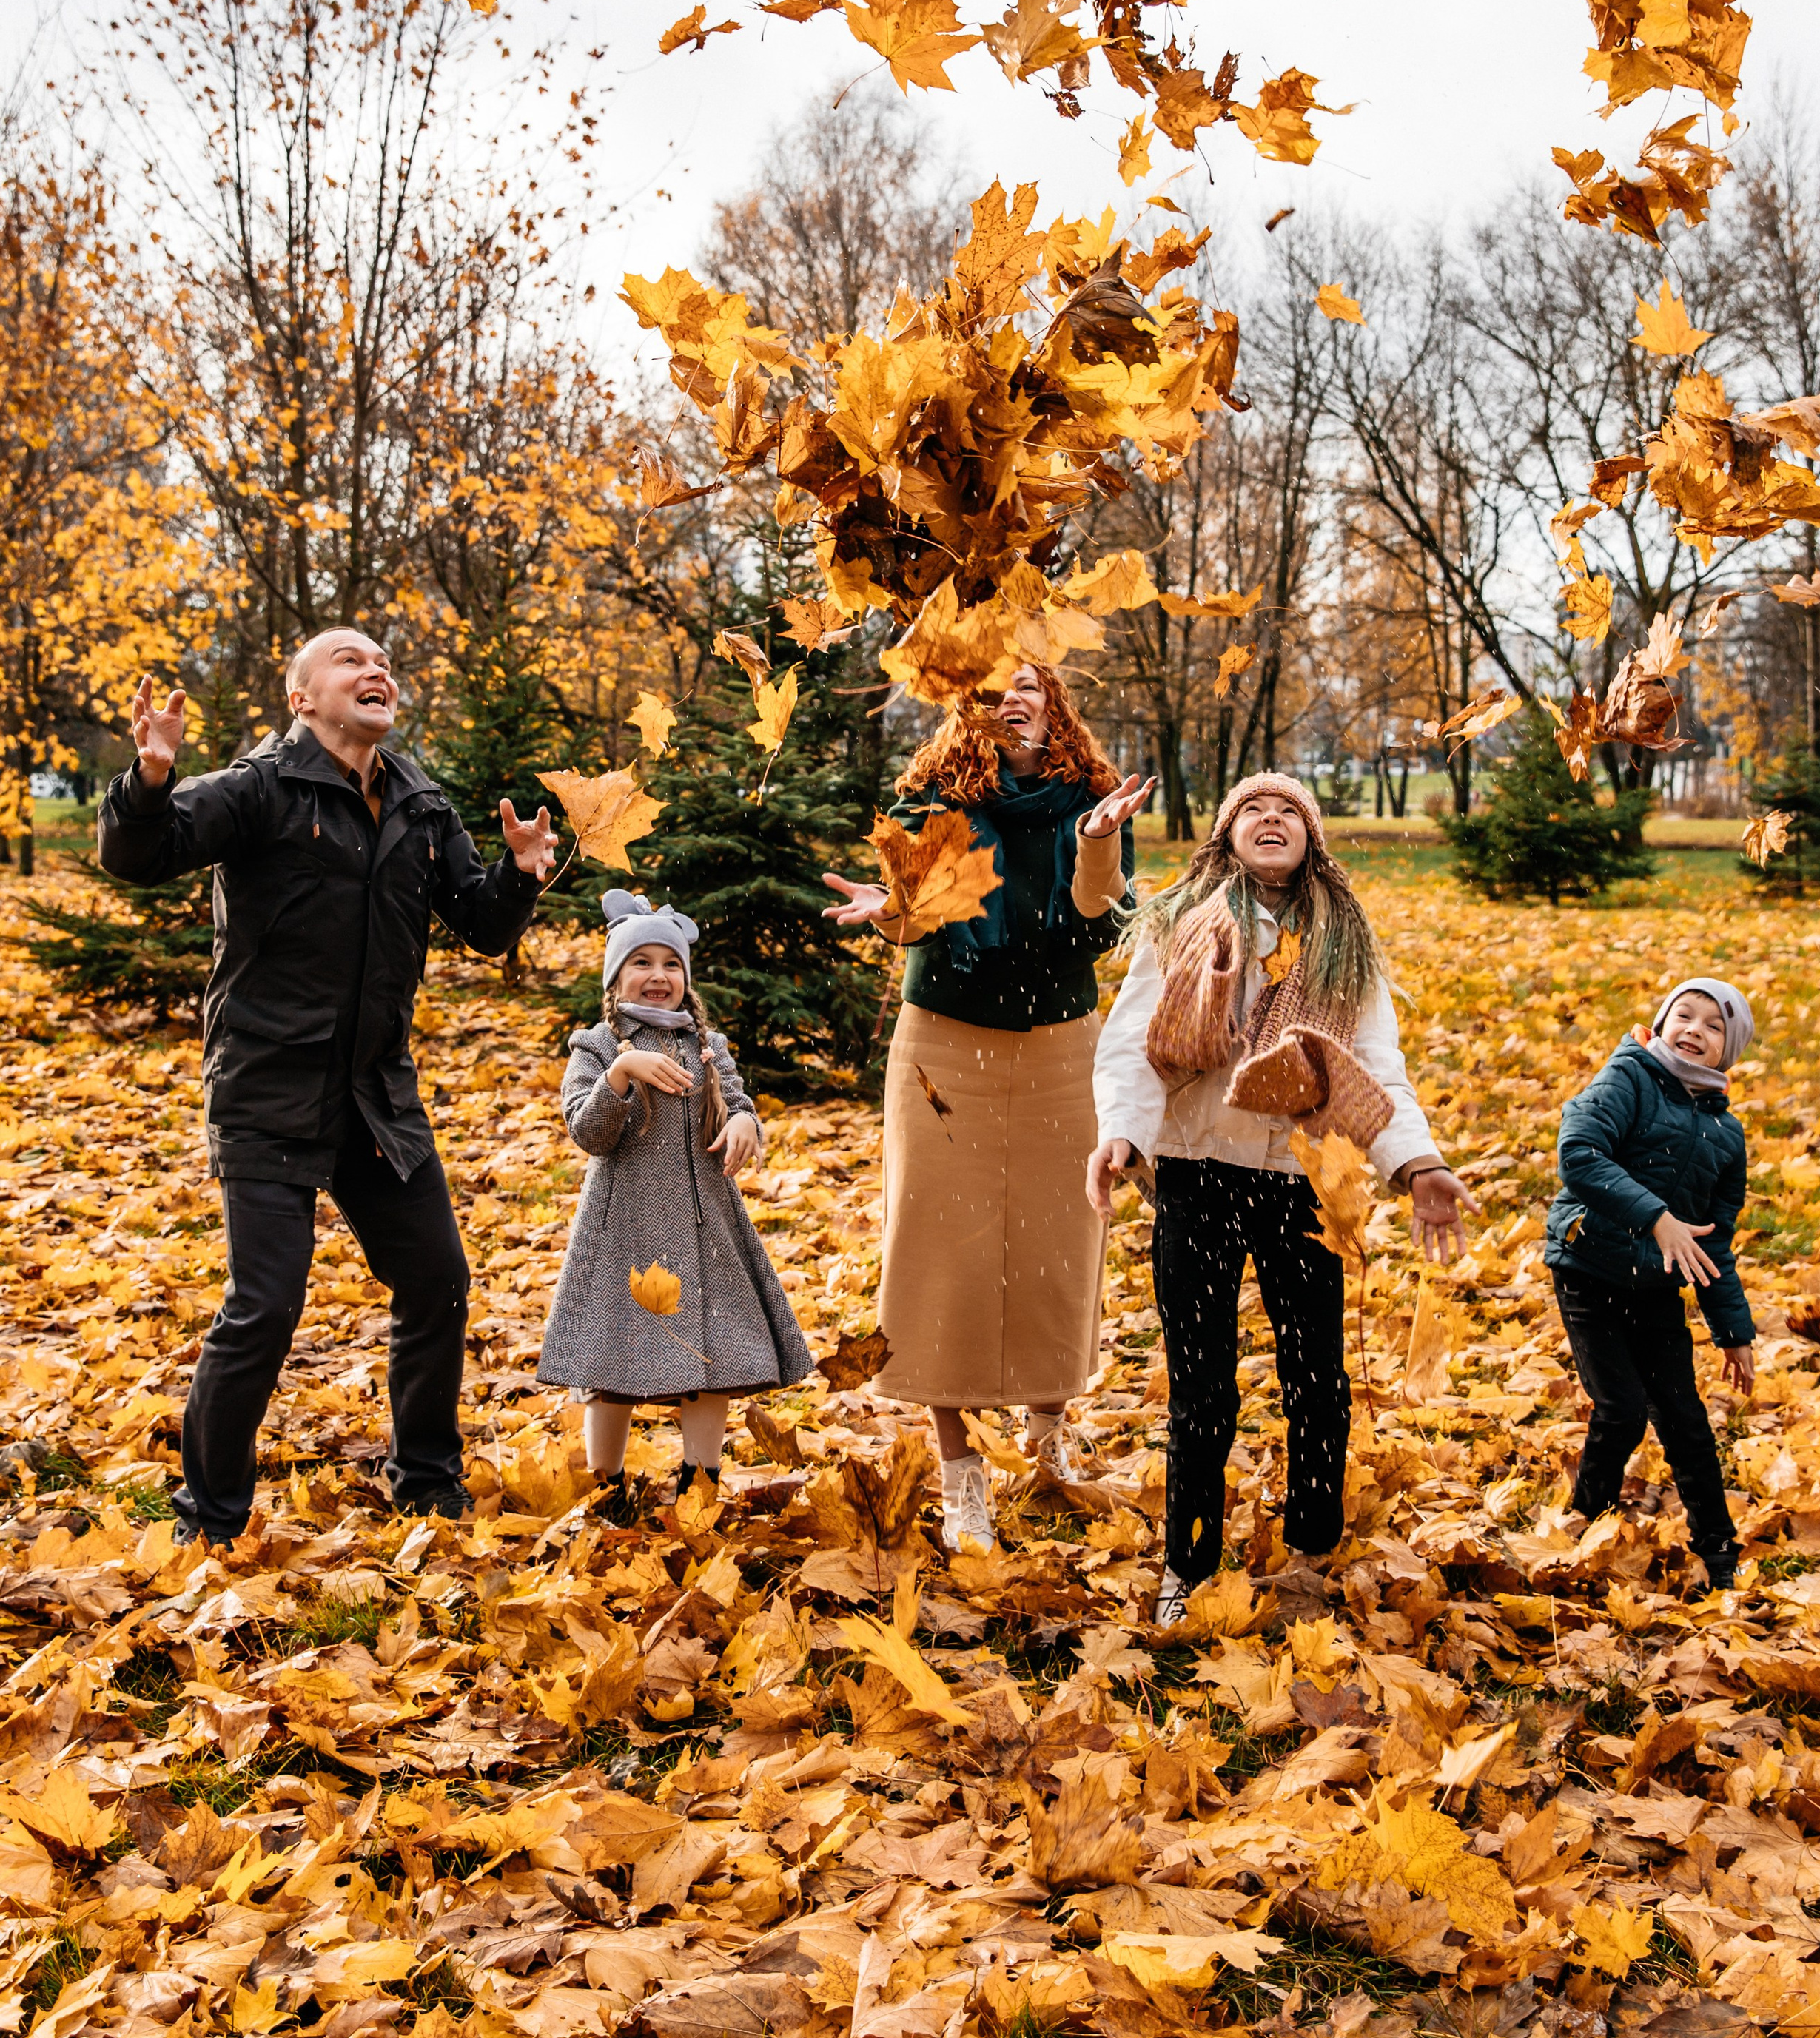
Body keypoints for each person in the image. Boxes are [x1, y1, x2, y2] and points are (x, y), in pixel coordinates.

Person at [98, 634, 557, 1545]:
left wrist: (515, 875)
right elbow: (142, 858)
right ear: (303, 699)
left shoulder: (420, 801)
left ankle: (427, 1485)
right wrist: (148, 780)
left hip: (373, 1094)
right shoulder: (261, 786)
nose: (374, 669)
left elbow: (478, 924)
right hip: (267, 1085)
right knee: (265, 1304)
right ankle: (209, 1516)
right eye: (349, 660)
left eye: (382, 659)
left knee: (436, 1283)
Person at [1087, 771, 1472, 1624]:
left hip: (1306, 1176)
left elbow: (1376, 1067)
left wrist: (1417, 1166)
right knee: (1201, 1384)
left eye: (1287, 811)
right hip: (1197, 1169)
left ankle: (1310, 1551)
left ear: (1312, 837)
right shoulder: (1181, 920)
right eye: (1251, 811)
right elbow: (1131, 1048)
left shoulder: (1344, 938)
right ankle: (1186, 1565)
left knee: (1317, 1378)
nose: (1270, 820)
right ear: (1225, 837)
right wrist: (1124, 1135)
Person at [822, 665, 1152, 1553]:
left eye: (1028, 687)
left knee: (1058, 1246)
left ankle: (1048, 1449)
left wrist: (1097, 843)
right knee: (942, 1255)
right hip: (944, 1052)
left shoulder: (1090, 799)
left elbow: (1100, 925)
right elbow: (917, 917)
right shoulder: (935, 796)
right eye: (993, 688)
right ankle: (961, 1474)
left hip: (1060, 1051)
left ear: (1053, 708)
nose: (1011, 699)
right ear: (969, 708)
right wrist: (887, 913)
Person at [537, 891, 810, 1513]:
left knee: (714, 1352)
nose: (658, 975)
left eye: (671, 964)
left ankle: (700, 1482)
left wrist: (745, 1123)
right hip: (624, 1229)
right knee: (613, 1362)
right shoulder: (598, 1048)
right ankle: (606, 1485)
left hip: (703, 1225)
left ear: (686, 980)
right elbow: (588, 1132)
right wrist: (622, 1075)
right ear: (615, 979)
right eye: (642, 962)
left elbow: (737, 1102)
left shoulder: (704, 1045)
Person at [1545, 976, 1756, 1590]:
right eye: (1682, 1016)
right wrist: (1657, 1219)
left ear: (1730, 1049)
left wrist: (1732, 1331)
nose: (1693, 1029)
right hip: (1589, 1267)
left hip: (1658, 1286)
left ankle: (1719, 1549)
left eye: (1713, 1025)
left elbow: (1713, 1241)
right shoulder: (1628, 1076)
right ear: (1661, 1023)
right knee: (1623, 1409)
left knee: (1686, 1419)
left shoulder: (1726, 1134)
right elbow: (1579, 1153)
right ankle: (1586, 1523)